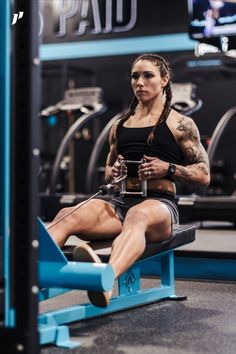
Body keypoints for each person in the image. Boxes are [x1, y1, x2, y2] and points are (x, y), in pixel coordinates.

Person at [48, 53, 210, 307]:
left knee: (138, 216)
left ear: (164, 80)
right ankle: (28, 276)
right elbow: (109, 166)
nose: (140, 82)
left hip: (160, 206)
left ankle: (104, 280)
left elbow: (203, 174)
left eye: (148, 76)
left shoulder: (181, 124)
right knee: (68, 214)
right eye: (135, 76)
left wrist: (167, 168)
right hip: (120, 202)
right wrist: (111, 172)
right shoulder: (121, 124)